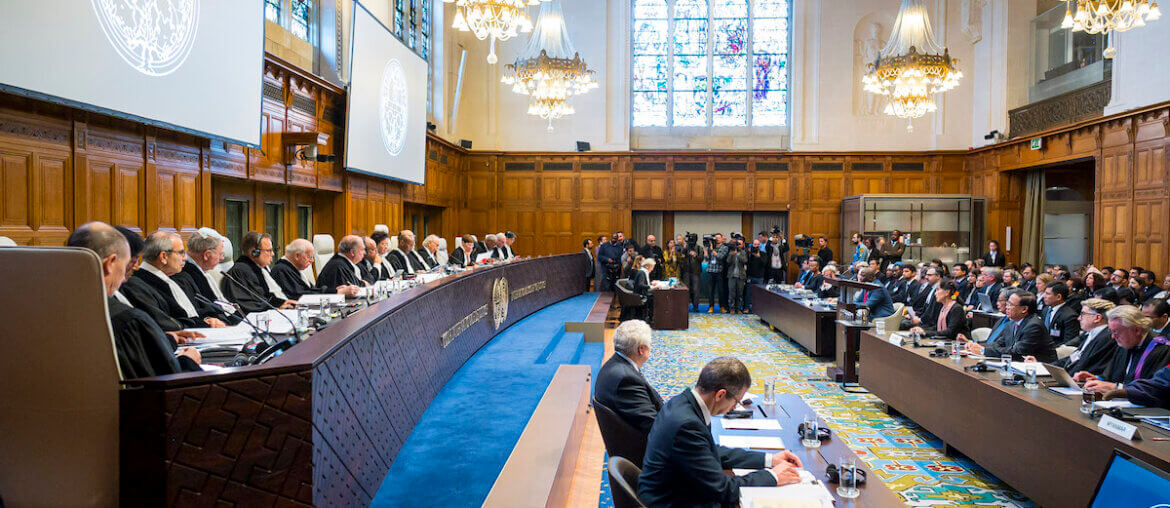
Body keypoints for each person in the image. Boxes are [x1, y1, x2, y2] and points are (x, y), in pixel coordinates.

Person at [639, 357, 804, 507]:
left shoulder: (682, 402)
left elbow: (710, 451)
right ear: (720, 395)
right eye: (736, 401)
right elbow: (724, 490)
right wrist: (772, 476)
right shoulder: (687, 425)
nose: (734, 407)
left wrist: (769, 459)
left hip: (674, 491)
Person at [67, 222, 202, 378]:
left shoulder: (51, 309)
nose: (128, 274)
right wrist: (188, 361)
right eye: (126, 264)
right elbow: (166, 382)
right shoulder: (130, 321)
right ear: (110, 263)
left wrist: (167, 338)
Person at [121, 230, 228, 331]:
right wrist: (204, 324)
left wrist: (207, 320)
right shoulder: (137, 284)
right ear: (164, 257)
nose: (185, 258)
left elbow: (189, 314)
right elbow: (165, 323)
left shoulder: (170, 277)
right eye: (181, 253)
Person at [1076, 305, 1170, 392]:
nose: (1113, 336)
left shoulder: (1162, 348)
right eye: (1111, 331)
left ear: (1137, 330)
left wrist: (1117, 388)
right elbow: (1112, 377)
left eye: (1116, 332)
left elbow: (1156, 389)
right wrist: (1096, 379)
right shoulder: (1125, 344)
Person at [594, 320, 662, 437]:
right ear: (641, 349)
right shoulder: (626, 380)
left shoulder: (616, 364)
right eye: (650, 344)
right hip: (642, 444)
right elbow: (653, 426)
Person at [170, 230, 240, 325]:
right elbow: (200, 312)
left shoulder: (203, 272)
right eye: (220, 254)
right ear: (207, 255)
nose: (222, 258)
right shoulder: (182, 275)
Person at [965, 292, 1056, 362]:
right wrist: (977, 346)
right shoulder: (1012, 322)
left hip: (1041, 369)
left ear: (1024, 309)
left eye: (1010, 305)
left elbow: (1017, 352)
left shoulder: (1033, 326)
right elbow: (999, 343)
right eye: (1007, 303)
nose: (1007, 307)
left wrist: (984, 351)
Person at [222, 232, 297, 313]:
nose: (272, 254)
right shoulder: (239, 271)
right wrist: (276, 309)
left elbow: (265, 298)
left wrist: (282, 303)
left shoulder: (259, 269)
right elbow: (250, 305)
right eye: (268, 250)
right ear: (254, 252)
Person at [1047, 298, 1118, 375]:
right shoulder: (1090, 334)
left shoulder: (1106, 339)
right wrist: (1046, 367)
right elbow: (1073, 358)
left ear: (1097, 318)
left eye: (1083, 314)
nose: (1079, 318)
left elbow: (1087, 367)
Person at [271, 239, 358, 300]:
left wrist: (336, 290)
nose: (312, 260)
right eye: (309, 256)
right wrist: (338, 292)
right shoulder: (281, 270)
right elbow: (302, 296)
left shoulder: (294, 269)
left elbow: (311, 291)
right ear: (297, 255)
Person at [1042, 281, 1080, 346]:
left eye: (1047, 294)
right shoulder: (1045, 310)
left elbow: (1069, 342)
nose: (1044, 296)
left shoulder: (1070, 316)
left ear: (1058, 297)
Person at [705, 235, 728, 314]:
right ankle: (711, 306)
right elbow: (707, 259)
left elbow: (720, 257)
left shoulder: (724, 247)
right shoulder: (711, 246)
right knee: (710, 290)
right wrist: (706, 250)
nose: (717, 239)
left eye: (718, 238)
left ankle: (722, 307)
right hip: (711, 270)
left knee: (720, 290)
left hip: (719, 271)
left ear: (721, 239)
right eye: (716, 238)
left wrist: (712, 250)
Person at [679, 240, 703, 312]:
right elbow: (681, 256)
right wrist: (684, 248)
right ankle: (685, 306)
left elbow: (701, 259)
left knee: (696, 290)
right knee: (686, 290)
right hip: (686, 271)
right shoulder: (686, 248)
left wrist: (695, 255)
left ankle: (695, 307)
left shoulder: (699, 248)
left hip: (696, 272)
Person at [726, 239, 748, 314]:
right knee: (731, 293)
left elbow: (745, 260)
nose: (738, 246)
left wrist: (738, 255)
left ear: (742, 245)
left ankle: (738, 308)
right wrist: (732, 254)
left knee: (740, 294)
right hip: (732, 275)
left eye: (740, 244)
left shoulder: (743, 252)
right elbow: (728, 261)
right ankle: (732, 308)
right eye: (737, 244)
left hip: (740, 276)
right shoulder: (731, 252)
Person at [745, 239, 767, 310]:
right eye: (755, 244)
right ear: (752, 245)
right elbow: (746, 263)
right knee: (748, 293)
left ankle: (758, 309)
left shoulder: (763, 254)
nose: (756, 246)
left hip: (759, 277)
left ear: (759, 246)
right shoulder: (749, 254)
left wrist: (759, 257)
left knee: (759, 294)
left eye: (757, 244)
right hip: (750, 276)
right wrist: (749, 253)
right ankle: (746, 308)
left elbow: (764, 264)